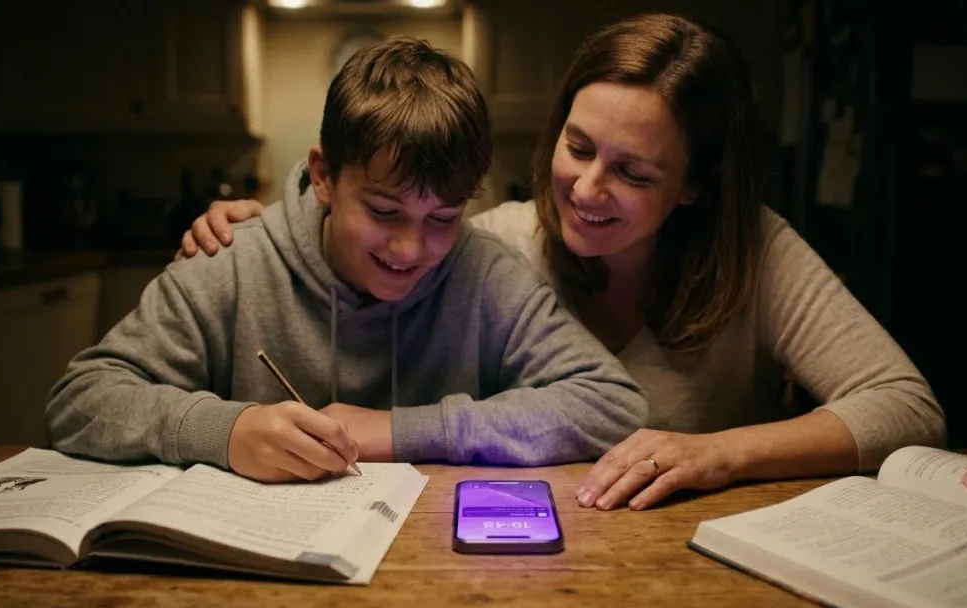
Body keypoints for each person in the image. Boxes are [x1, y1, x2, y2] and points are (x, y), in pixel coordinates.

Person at [177, 13, 946, 509]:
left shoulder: (758, 252)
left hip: (700, 564)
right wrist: (281, 222)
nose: (586, 188)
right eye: (577, 147)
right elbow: (402, 220)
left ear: (694, 188)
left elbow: (906, 408)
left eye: (635, 172)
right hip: (524, 564)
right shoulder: (497, 244)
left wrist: (718, 454)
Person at [46, 36, 648, 484]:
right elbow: (80, 401)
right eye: (385, 213)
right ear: (324, 176)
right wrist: (225, 432)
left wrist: (396, 430)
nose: (412, 250)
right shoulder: (230, 260)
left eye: (442, 218)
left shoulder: (485, 272)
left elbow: (613, 405)